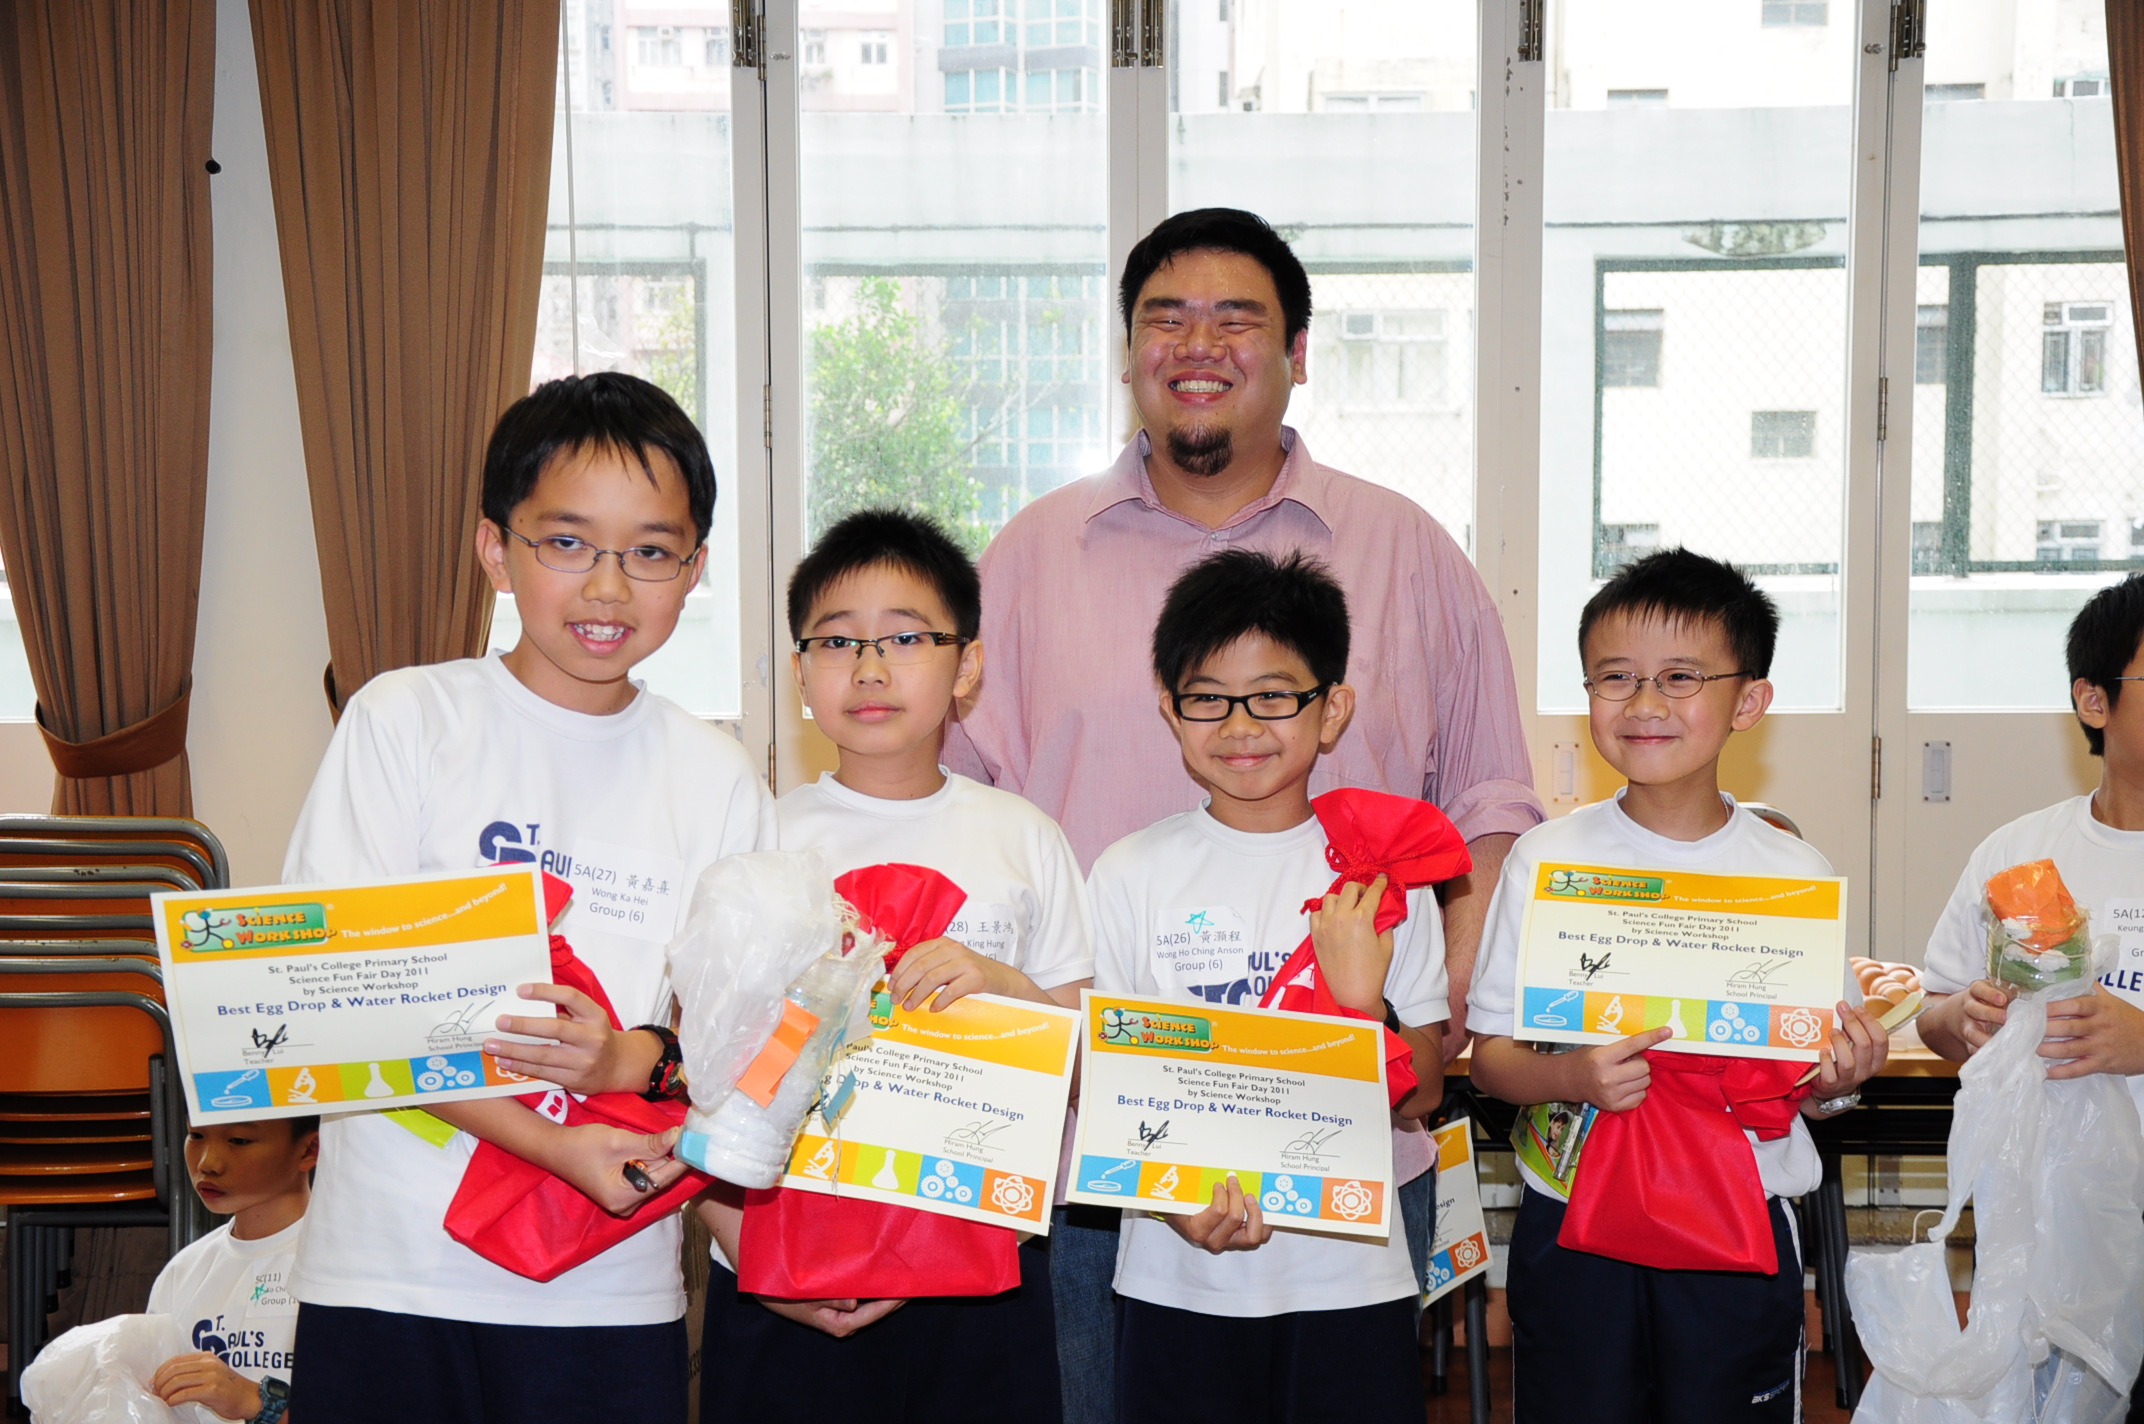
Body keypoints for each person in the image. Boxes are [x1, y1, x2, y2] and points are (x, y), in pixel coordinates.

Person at [944, 206, 1542, 1417]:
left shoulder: (1407, 550)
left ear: (1297, 351)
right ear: (1127, 351)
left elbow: (1490, 798)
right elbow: (964, 815)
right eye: (1164, 318)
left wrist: (1416, 1038)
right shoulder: (1027, 557)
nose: (1196, 343)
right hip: (1102, 1159)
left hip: (1352, 1147)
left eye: (1235, 317)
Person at [279, 372, 774, 1424]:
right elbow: (329, 999)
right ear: (496, 549)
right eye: (567, 542)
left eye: (650, 551)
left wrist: (629, 1059)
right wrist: (549, 1143)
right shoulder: (406, 721)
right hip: (389, 1268)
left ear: (694, 569)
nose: (608, 587)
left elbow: (746, 1044)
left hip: (606, 1278)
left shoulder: (717, 776)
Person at [1466, 548, 1889, 1423]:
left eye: (1681, 677)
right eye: (1616, 676)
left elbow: (1804, 1086)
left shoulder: (1793, 874)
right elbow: (1491, 1062)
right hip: (1573, 1220)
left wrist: (1839, 1082)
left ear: (1748, 702)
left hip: (1739, 1224)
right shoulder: (1547, 859)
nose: (1645, 703)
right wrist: (1571, 1076)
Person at [697, 508, 1093, 1423]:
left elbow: (1083, 1063)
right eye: (838, 641)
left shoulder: (1024, 836)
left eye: (907, 638)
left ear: (967, 665)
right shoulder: (758, 837)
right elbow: (699, 1070)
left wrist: (1006, 988)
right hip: (785, 1263)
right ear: (800, 671)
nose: (870, 668)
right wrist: (751, 1255)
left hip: (978, 1269)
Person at [1089, 548, 1447, 1424]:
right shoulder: (1130, 872)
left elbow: (1426, 1093)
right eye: (1208, 698)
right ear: (1170, 711)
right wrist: (1173, 1205)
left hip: (1349, 1275)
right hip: (1176, 1272)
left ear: (1332, 711)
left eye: (1275, 696)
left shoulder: (1381, 877)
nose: (1241, 725)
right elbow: (1106, 1083)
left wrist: (1361, 1007)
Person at [1917, 572, 2144, 1422]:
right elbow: (1935, 1010)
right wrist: (1964, 1019)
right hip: (2055, 1219)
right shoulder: (2021, 853)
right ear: (2094, 700)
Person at [144, 1117, 319, 1424]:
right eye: (196, 1135)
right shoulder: (182, 1271)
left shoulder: (349, 1267)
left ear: (309, 1150)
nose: (207, 1163)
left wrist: (256, 1401)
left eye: (238, 1140)